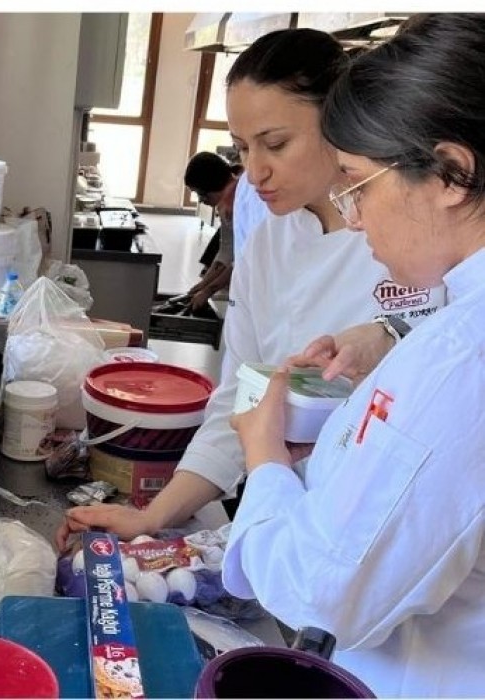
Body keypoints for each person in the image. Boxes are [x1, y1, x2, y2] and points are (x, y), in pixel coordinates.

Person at [58, 28, 445, 548]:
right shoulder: (268, 241)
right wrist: (154, 517)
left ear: (338, 120)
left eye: (276, 144)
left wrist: (386, 338)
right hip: (284, 515)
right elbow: (240, 402)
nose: (256, 171)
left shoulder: (413, 244)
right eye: (243, 148)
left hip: (380, 527)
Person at [227, 14, 485, 694]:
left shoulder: (460, 358)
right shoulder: (449, 329)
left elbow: (320, 590)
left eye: (360, 184)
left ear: (451, 174)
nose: (355, 216)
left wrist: (265, 458)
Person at [179, 151, 239, 313]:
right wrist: (202, 284)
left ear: (212, 184)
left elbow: (243, 260)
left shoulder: (244, 204)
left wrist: (208, 291)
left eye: (201, 193)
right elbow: (226, 251)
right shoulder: (226, 205)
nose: (200, 200)